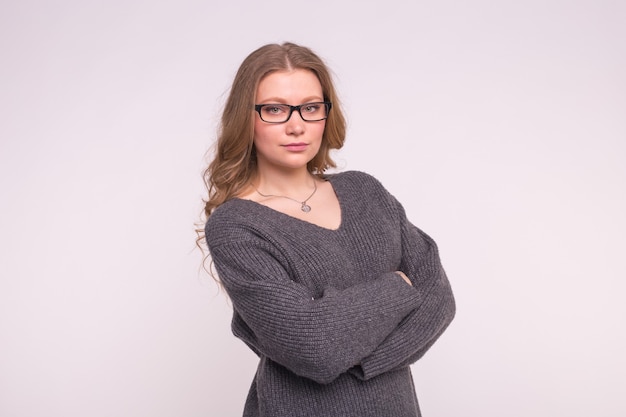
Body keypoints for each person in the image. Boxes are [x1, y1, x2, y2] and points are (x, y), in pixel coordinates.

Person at [199, 42, 455, 417]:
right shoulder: (237, 226)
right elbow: (314, 347)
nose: (296, 125)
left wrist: (351, 354)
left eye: (311, 108)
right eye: (274, 109)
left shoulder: (365, 191)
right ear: (245, 117)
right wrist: (398, 287)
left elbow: (439, 301)